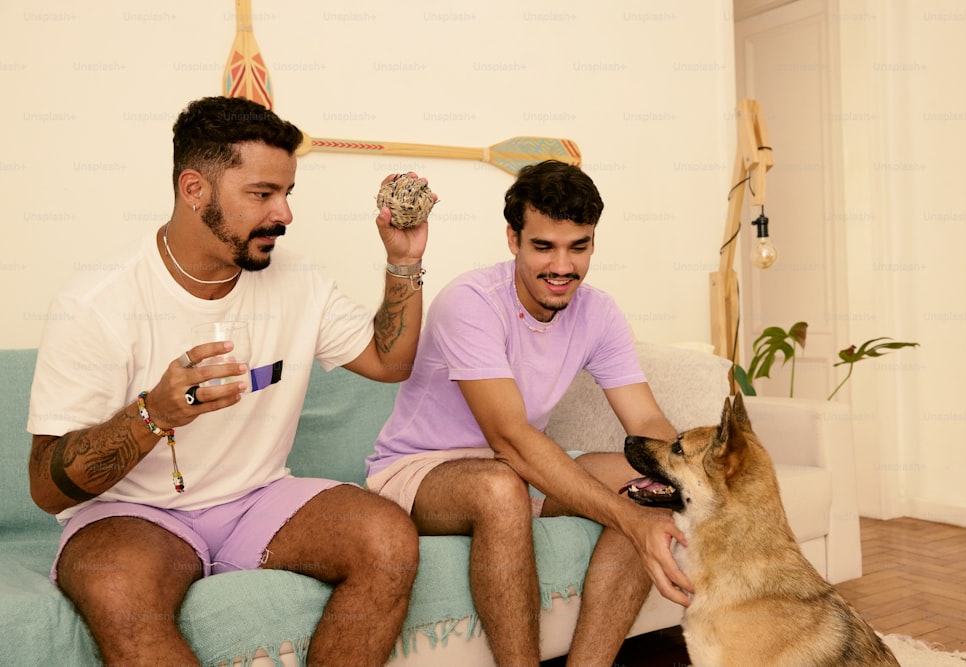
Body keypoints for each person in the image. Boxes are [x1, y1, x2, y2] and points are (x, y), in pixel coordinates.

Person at [27, 96, 430, 666]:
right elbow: (45, 488)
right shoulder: (98, 304)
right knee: (118, 589)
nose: (285, 214)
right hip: (133, 514)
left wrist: (404, 261)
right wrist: (153, 415)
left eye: (287, 193)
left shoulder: (300, 283)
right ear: (195, 190)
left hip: (258, 497)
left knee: (386, 540)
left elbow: (391, 363)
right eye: (263, 194)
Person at [365, 159, 693, 666]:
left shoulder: (599, 313)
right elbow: (511, 439)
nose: (562, 266)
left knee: (653, 479)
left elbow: (647, 426)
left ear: (591, 244)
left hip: (518, 471)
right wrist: (627, 518)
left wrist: (685, 474)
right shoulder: (471, 302)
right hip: (419, 472)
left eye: (577, 247)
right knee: (501, 489)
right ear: (513, 240)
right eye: (543, 247)